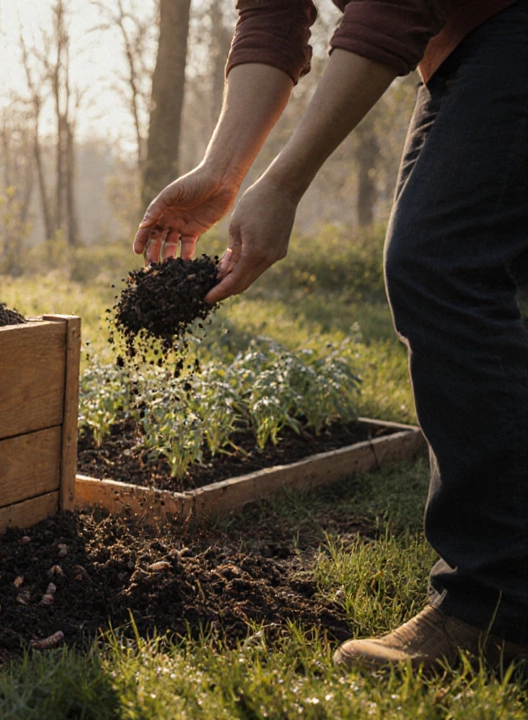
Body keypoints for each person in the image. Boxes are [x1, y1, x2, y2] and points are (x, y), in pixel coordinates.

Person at [135, 0, 528, 672]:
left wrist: (284, 183)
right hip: (465, 42)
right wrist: (225, 174)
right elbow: (273, 16)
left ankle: (499, 609)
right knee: (452, 260)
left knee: (440, 262)